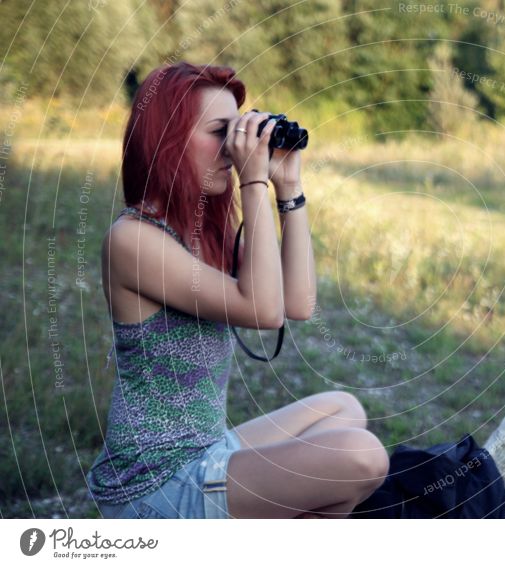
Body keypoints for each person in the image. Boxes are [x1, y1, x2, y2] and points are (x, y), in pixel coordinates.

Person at [86, 61, 389, 519]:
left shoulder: (206, 234)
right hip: (155, 484)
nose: (232, 149)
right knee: (361, 456)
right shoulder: (132, 240)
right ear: (167, 141)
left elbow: (298, 304)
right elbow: (264, 311)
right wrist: (252, 182)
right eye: (219, 132)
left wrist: (289, 187)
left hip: (207, 451)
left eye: (239, 132)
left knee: (343, 410)